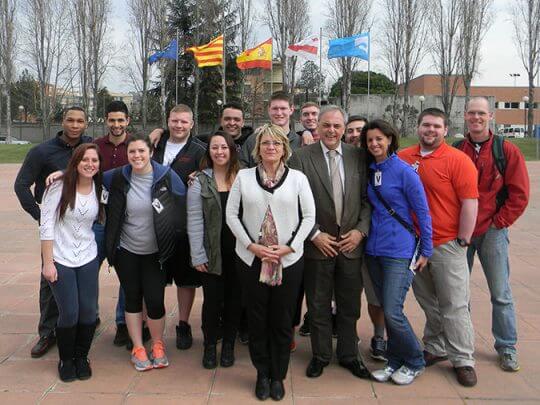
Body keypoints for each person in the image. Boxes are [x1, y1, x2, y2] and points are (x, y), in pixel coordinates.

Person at [226, 124, 315, 401]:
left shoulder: (298, 179)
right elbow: (232, 215)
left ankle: (278, 375)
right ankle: (262, 372)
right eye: (266, 143)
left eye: (276, 144)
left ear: (285, 148)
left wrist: (289, 247)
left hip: (287, 261)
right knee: (257, 318)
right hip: (252, 259)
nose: (271, 148)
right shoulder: (244, 176)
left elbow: (309, 217)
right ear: (258, 148)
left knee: (281, 318)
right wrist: (252, 246)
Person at [288, 106, 371, 380]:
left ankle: (349, 354)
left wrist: (360, 231)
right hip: (317, 245)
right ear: (317, 127)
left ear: (344, 128)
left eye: (337, 126)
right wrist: (313, 233)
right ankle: (321, 355)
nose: (332, 131)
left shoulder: (359, 157)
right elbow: (293, 202)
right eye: (326, 125)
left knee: (350, 306)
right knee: (319, 304)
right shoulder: (300, 158)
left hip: (351, 245)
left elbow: (368, 200)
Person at [399, 108, 479, 387]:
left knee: (454, 303)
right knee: (428, 300)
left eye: (436, 126)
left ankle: (463, 358)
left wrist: (463, 240)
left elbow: (470, 202)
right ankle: (435, 346)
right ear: (418, 127)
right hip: (414, 244)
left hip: (447, 243)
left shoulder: (458, 160)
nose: (430, 130)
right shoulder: (403, 157)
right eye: (425, 125)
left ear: (445, 130)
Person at [455, 97, 529, 372]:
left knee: (501, 292)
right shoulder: (457, 149)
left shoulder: (505, 150)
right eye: (472, 113)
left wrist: (499, 223)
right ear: (465, 116)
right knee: (458, 293)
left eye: (481, 113)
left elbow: (519, 194)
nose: (476, 118)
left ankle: (507, 346)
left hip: (492, 232)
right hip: (462, 232)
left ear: (491, 116)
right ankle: (462, 344)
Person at [102, 135, 186, 371]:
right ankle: (138, 347)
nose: (137, 156)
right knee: (132, 297)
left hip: (156, 253)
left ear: (151, 152)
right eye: (132, 152)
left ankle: (157, 344)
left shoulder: (166, 176)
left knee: (155, 300)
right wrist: (61, 175)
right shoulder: (116, 177)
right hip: (126, 250)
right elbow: (86, 177)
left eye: (141, 151)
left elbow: (184, 204)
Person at [14, 106, 92, 358]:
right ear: (62, 121)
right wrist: (40, 215)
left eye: (80, 121)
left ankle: (84, 318)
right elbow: (21, 185)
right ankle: (48, 331)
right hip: (55, 230)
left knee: (83, 275)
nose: (75, 125)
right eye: (70, 120)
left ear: (86, 124)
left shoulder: (90, 148)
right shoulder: (42, 151)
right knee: (51, 278)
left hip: (81, 226)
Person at [360, 119, 432, 385]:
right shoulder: (370, 169)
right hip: (374, 250)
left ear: (390, 139)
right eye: (370, 140)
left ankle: (414, 360)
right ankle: (394, 360)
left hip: (399, 250)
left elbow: (423, 212)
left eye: (379, 138)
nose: (374, 144)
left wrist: (426, 248)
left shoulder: (404, 171)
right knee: (383, 307)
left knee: (392, 311)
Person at [40, 143, 103, 382]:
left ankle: (81, 357)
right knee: (70, 312)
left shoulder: (99, 185)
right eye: (84, 160)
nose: (90, 164)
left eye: (94, 160)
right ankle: (66, 359)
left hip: (87, 256)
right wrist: (48, 263)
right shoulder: (58, 187)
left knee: (88, 313)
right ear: (75, 162)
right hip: (60, 258)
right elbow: (46, 227)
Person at [152, 104, 206, 351]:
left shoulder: (199, 151)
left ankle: (183, 325)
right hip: (154, 224)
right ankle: (152, 327)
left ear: (191, 124)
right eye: (175, 121)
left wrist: (200, 175)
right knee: (154, 280)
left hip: (184, 227)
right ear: (167, 121)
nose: (179, 125)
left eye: (184, 122)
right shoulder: (154, 144)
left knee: (185, 281)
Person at [187, 131, 242, 369]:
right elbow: (194, 220)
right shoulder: (199, 181)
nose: (219, 152)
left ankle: (229, 344)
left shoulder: (245, 178)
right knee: (212, 301)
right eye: (214, 148)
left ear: (231, 150)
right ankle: (210, 345)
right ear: (208, 152)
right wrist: (198, 254)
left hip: (241, 253)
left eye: (224, 147)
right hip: (211, 253)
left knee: (235, 301)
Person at [240, 91, 302, 168]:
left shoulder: (300, 142)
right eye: (275, 108)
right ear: (269, 110)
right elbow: (242, 168)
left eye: (283, 108)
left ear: (291, 110)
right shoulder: (253, 140)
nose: (279, 113)